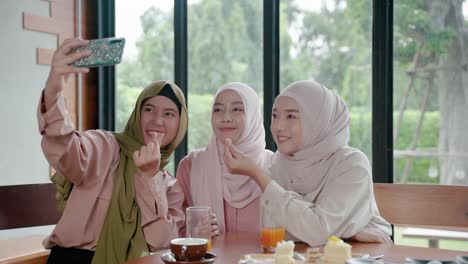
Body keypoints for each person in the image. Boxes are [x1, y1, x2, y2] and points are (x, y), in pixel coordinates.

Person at [38, 38, 188, 264]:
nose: (157, 120)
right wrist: (53, 91)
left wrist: (148, 179)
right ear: (137, 114)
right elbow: (66, 150)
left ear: (180, 125)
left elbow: (162, 243)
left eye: (169, 114)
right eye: (149, 109)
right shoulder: (106, 146)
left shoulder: (170, 186)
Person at [223, 80, 392, 246]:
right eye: (275, 116)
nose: (278, 127)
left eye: (291, 116)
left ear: (318, 120)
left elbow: (316, 231)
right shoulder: (280, 162)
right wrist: (347, 232)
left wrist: (258, 174)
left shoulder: (351, 164)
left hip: (360, 255)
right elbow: (280, 232)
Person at [176, 82, 274, 236]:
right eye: (218, 110)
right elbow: (177, 231)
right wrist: (193, 233)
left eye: (237, 109)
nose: (226, 118)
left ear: (253, 115)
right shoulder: (191, 165)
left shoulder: (275, 166)